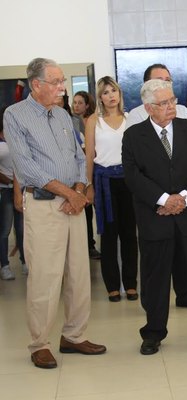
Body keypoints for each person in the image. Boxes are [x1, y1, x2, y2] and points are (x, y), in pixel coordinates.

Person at [3, 58, 106, 369]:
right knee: (45, 278)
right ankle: (40, 343)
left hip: (72, 205)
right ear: (37, 85)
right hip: (45, 206)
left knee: (78, 274)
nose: (63, 87)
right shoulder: (15, 115)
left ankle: (73, 336)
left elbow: (77, 156)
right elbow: (26, 166)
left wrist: (78, 189)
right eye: (57, 81)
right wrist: (70, 194)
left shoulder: (62, 114)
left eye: (62, 81)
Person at [122, 79, 187, 355]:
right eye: (164, 103)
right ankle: (153, 333)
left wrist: (183, 198)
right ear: (148, 108)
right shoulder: (134, 136)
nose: (172, 106)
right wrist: (164, 200)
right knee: (155, 278)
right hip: (154, 218)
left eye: (172, 100)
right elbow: (133, 176)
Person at [125, 63, 187, 308]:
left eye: (168, 80)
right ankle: (154, 316)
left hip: (186, 203)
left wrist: (180, 198)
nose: (165, 85)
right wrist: (164, 199)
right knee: (155, 266)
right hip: (153, 206)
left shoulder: (184, 113)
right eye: (158, 80)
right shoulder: (134, 118)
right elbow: (137, 167)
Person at [85, 76, 138, 302]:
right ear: (100, 98)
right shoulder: (92, 122)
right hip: (104, 181)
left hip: (129, 181)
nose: (110, 96)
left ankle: (131, 284)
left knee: (129, 235)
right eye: (105, 92)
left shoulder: (131, 119)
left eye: (113, 91)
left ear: (119, 94)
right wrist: (88, 185)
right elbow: (89, 156)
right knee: (108, 235)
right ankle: (112, 286)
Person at [72, 90, 100, 260]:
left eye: (80, 102)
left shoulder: (94, 121)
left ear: (87, 105)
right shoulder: (71, 122)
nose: (76, 106)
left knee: (99, 208)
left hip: (97, 170)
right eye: (74, 102)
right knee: (85, 211)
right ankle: (87, 245)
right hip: (79, 173)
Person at [125, 63, 187, 129]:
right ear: (146, 85)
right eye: (159, 81)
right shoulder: (136, 114)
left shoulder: (183, 111)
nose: (165, 84)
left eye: (168, 80)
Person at [0, 105, 26, 279]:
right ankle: (5, 265)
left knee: (22, 229)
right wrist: (8, 181)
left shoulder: (19, 136)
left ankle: (25, 261)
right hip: (5, 191)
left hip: (23, 189)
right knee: (4, 230)